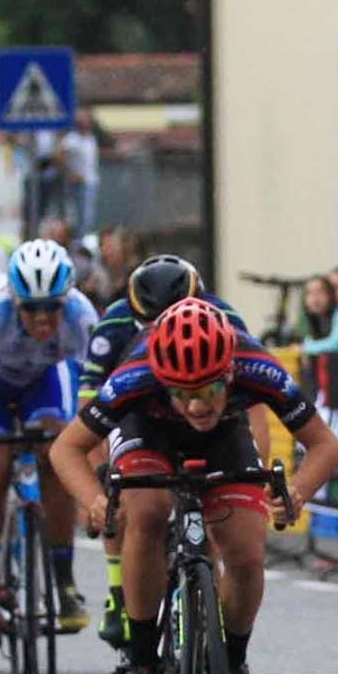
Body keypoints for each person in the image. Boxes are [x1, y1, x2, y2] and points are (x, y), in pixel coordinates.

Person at [48, 298, 338, 674]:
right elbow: (65, 448)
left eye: (208, 389)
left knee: (244, 551)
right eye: (182, 392)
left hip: (226, 436)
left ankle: (235, 663)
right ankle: (145, 662)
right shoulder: (137, 373)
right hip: (148, 433)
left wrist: (296, 493)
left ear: (228, 373)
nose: (196, 405)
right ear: (164, 381)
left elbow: (325, 444)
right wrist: (93, 499)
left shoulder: (255, 365)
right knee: (145, 515)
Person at [74, 253, 262, 646]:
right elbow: (87, 417)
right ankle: (119, 592)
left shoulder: (226, 321)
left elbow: (254, 404)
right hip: (139, 413)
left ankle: (215, 635)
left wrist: (257, 471)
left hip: (210, 418)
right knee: (140, 511)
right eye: (151, 322)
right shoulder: (115, 326)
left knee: (218, 516)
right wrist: (98, 485)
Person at [0, 238, 99, 645]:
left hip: (43, 379)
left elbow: (94, 380)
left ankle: (64, 583)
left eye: (52, 307)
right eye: (32, 308)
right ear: (14, 300)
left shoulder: (81, 316)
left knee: (57, 458)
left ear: (66, 300)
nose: (43, 319)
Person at [61, 107, 101, 236]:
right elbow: (59, 156)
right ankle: (79, 240)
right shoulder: (72, 139)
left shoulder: (90, 138)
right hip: (79, 182)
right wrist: (70, 174)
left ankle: (85, 238)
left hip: (91, 180)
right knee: (80, 216)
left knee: (89, 215)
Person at [297, 274, 336, 342]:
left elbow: (336, 344)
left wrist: (305, 347)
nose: (314, 297)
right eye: (309, 293)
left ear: (330, 295)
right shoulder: (306, 316)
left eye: (320, 292)